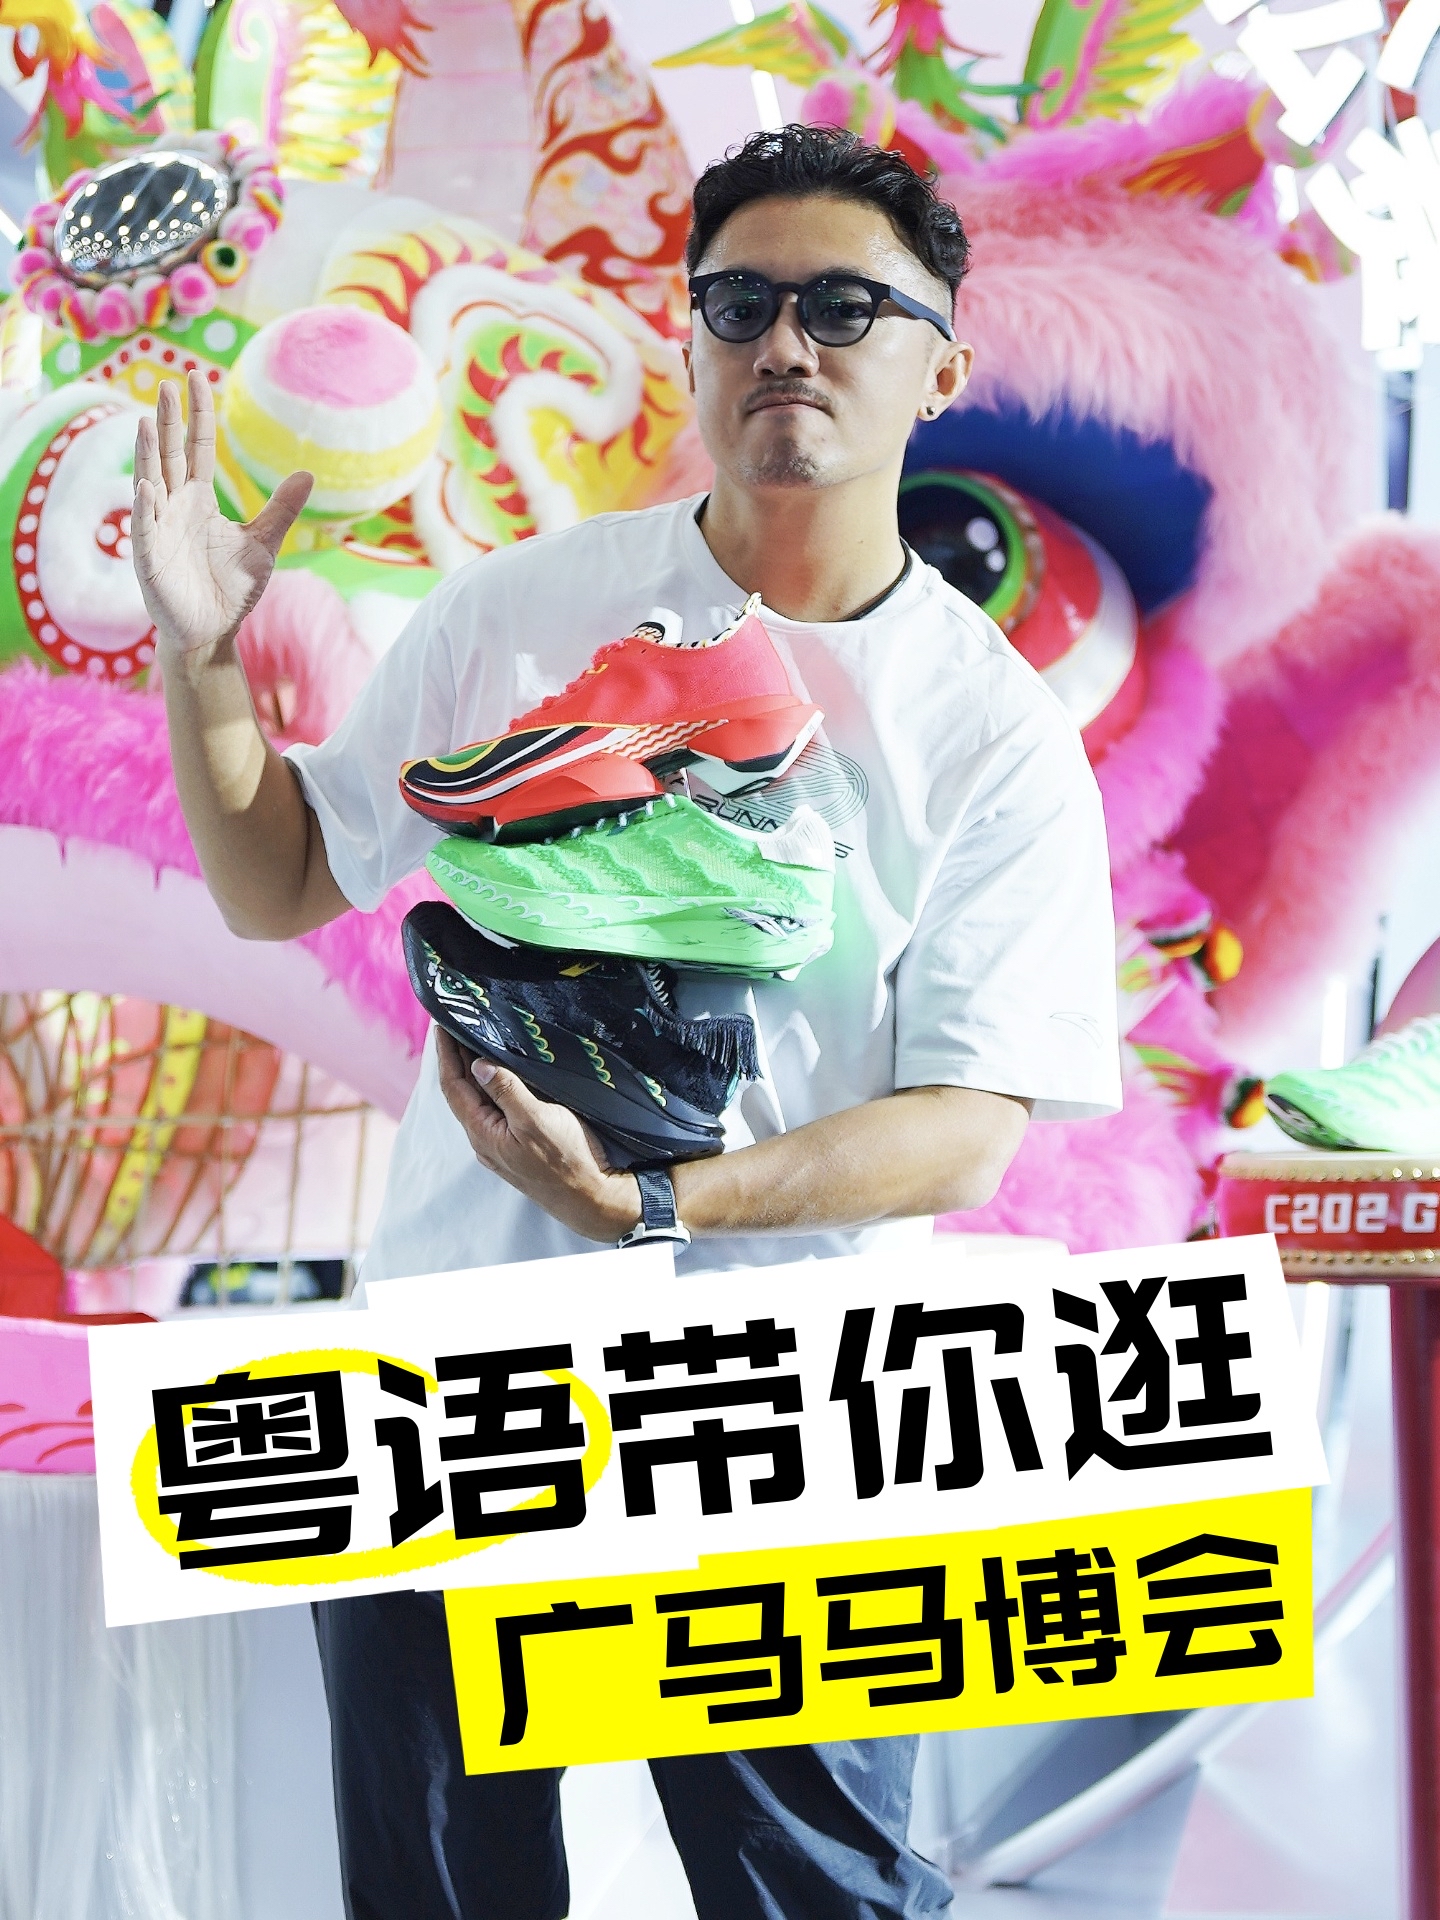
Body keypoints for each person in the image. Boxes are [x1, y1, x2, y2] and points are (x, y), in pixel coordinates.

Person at [134, 125, 1120, 1920]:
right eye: (741, 304)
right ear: (689, 341)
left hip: (780, 1410)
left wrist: (654, 1207)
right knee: (443, 1893)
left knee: (809, 1894)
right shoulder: (520, 613)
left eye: (845, 308)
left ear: (941, 367)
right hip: (462, 1377)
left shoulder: (996, 734)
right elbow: (281, 879)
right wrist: (202, 660)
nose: (786, 344)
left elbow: (971, 1127)